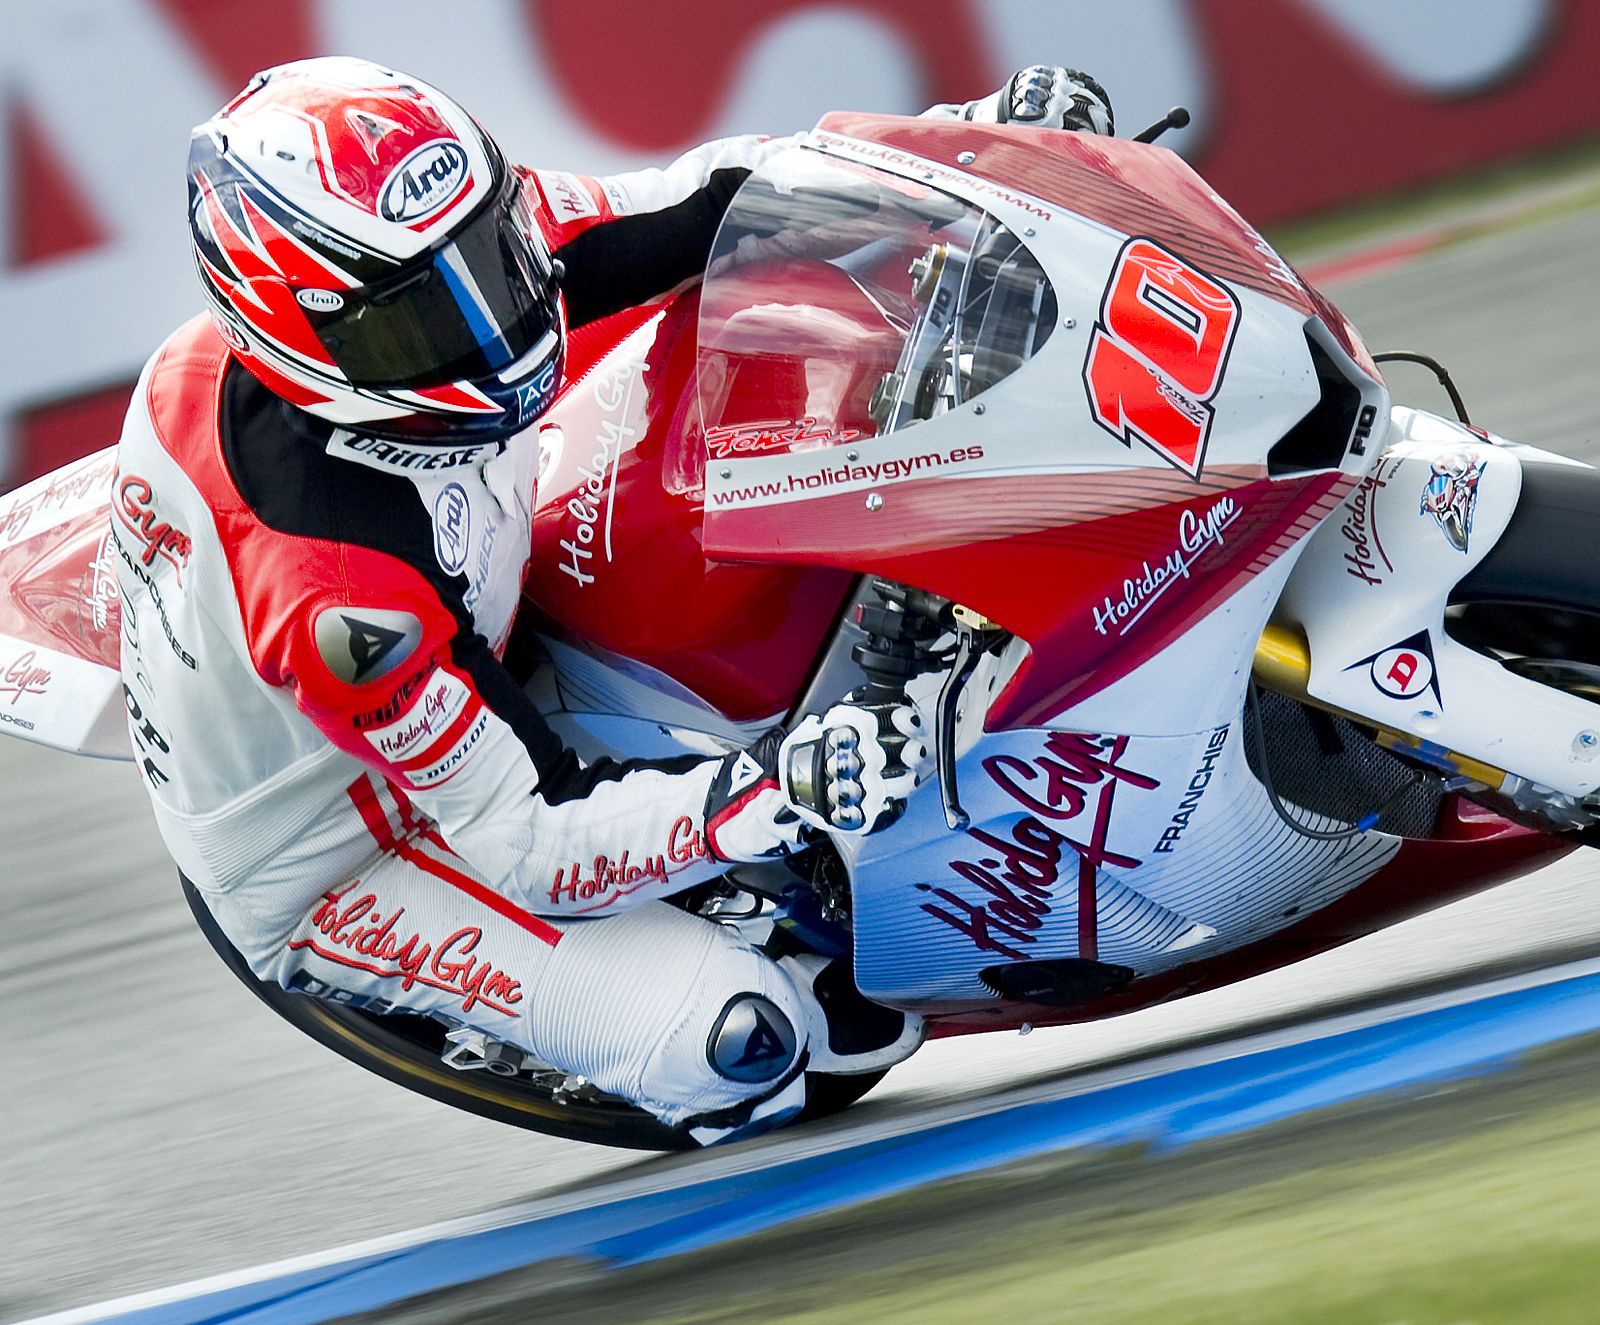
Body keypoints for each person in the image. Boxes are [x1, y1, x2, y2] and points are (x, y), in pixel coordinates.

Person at [112, 56, 1115, 1143]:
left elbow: (712, 201)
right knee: (760, 1042)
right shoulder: (344, 605)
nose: (494, 328)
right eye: (421, 327)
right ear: (300, 345)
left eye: (489, 261)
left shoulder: (462, 242)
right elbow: (529, 839)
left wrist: (960, 145)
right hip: (349, 844)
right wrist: (778, 786)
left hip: (477, 614)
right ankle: (539, 1006)